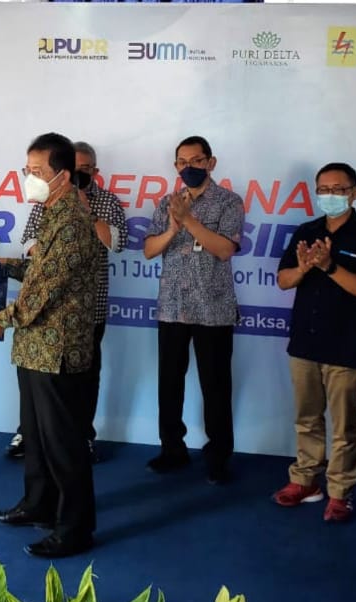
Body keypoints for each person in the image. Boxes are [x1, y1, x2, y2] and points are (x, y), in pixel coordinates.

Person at [0, 133, 101, 558]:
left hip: (58, 352)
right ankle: (38, 505)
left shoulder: (73, 223)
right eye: (26, 170)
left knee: (64, 446)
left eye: (36, 172)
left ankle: (75, 529)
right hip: (35, 349)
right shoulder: (51, 213)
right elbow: (39, 270)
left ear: (62, 176)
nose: (28, 178)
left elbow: (43, 292)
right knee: (34, 436)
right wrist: (4, 265)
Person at [272, 163, 356, 522]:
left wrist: (329, 267)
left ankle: (340, 492)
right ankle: (305, 480)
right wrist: (305, 267)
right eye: (323, 189)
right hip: (304, 341)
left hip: (345, 344)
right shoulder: (306, 232)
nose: (330, 195)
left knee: (344, 426)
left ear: (354, 193)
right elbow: (283, 280)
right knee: (306, 419)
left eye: (338, 189)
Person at [5, 140, 127, 462]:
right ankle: (29, 434)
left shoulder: (97, 206)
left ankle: (82, 436)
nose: (31, 178)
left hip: (84, 312)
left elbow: (117, 243)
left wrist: (88, 213)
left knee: (82, 381)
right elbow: (30, 244)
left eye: (84, 169)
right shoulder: (46, 204)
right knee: (37, 394)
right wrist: (39, 259)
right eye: (28, 171)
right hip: (41, 322)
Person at [142, 135, 243, 485]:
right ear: (176, 167)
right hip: (172, 307)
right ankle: (172, 449)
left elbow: (225, 250)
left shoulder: (229, 202)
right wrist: (173, 226)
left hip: (213, 308)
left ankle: (218, 457)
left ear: (211, 163)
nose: (189, 168)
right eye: (182, 163)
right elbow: (149, 250)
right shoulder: (166, 203)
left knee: (216, 386)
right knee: (169, 384)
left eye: (197, 161)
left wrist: (188, 220)